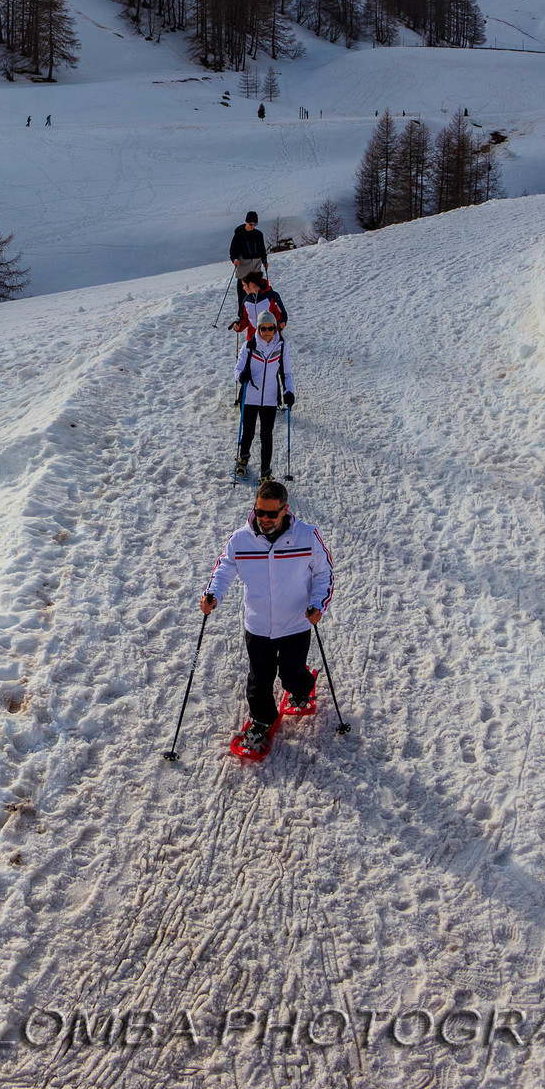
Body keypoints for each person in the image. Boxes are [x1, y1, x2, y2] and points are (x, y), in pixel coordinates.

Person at [202, 478, 332, 761]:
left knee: (290, 673)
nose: (264, 518)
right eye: (259, 511)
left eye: (271, 513)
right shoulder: (241, 539)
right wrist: (213, 594)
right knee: (259, 678)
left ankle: (302, 686)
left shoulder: (306, 536)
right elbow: (224, 569)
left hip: (296, 623)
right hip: (258, 624)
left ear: (285, 510)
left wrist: (317, 603)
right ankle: (262, 719)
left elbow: (323, 573)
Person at [235, 311, 294, 479]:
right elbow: (237, 369)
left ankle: (265, 471)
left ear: (275, 329)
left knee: (267, 435)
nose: (267, 332)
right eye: (263, 328)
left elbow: (286, 373)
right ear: (258, 329)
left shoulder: (281, 347)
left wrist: (289, 391)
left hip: (269, 398)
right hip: (249, 397)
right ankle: (243, 460)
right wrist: (241, 376)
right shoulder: (248, 346)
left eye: (270, 328)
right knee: (248, 432)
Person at [227, 264, 288, 341]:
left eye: (244, 285)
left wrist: (281, 322)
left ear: (251, 285)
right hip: (253, 339)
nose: (243, 288)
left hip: (270, 337)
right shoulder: (246, 300)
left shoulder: (271, 296)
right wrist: (239, 325)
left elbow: (281, 314)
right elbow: (244, 318)